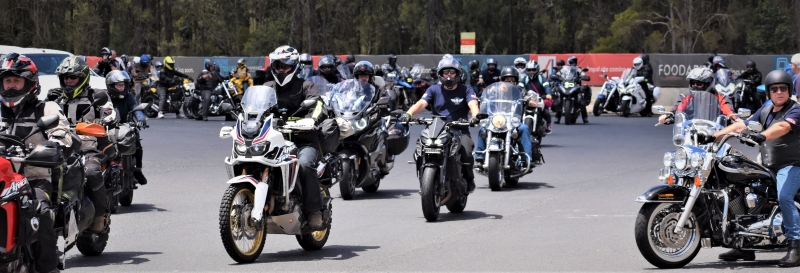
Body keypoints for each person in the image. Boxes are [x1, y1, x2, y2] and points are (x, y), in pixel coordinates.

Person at [712, 70, 800, 267]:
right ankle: (743, 244)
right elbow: (742, 125)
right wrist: (714, 136)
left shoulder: (795, 110)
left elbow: (783, 127)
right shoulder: (766, 110)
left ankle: (795, 247)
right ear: (769, 92)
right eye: (774, 89)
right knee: (742, 191)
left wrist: (762, 136)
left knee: (784, 196)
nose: (779, 92)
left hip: (793, 165)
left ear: (790, 90)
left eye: (783, 88)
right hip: (768, 165)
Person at [0, 53, 71, 273]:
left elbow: (63, 134)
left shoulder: (45, 109)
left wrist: (55, 145)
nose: (11, 85)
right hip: (3, 179)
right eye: (7, 80)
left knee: (39, 210)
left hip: (34, 179)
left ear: (30, 83)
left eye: (17, 80)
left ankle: (47, 267)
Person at [49, 55, 115, 236]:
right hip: (61, 146)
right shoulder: (56, 99)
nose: (69, 81)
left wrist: (104, 119)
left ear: (83, 78)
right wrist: (47, 102)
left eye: (73, 77)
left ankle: (99, 216)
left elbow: (110, 113)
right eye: (66, 78)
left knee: (91, 172)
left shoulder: (97, 95)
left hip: (88, 147)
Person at [263, 45, 327, 230]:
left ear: (295, 66)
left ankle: (314, 211)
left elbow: (318, 106)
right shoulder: (267, 88)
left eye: (285, 66)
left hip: (303, 140)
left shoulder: (307, 86)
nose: (281, 70)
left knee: (305, 165)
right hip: (274, 141)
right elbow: (253, 108)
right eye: (278, 66)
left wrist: (311, 120)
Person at [401, 58, 480, 194]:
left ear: (458, 74)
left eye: (452, 72)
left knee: (467, 151)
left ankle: (469, 179)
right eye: (445, 72)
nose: (449, 75)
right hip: (437, 129)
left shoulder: (466, 89)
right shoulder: (433, 89)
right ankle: (424, 182)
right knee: (420, 150)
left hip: (459, 129)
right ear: (440, 74)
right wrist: (408, 114)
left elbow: (473, 104)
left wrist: (475, 116)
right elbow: (421, 103)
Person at [474, 67, 535, 165]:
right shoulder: (495, 90)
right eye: (507, 79)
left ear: (516, 80)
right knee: (483, 129)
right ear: (502, 80)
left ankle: (526, 159)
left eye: (512, 79)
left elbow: (527, 97)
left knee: (524, 128)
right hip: (496, 120)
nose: (509, 81)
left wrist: (529, 100)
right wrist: (488, 97)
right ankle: (480, 156)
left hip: (513, 120)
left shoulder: (520, 91)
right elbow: (485, 98)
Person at [106, 70, 148, 185]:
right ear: (111, 86)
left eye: (123, 85)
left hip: (127, 127)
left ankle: (138, 169)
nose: (121, 88)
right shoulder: (106, 97)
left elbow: (136, 109)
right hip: (109, 128)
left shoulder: (129, 96)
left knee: (137, 145)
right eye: (118, 85)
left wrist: (141, 120)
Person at [658, 67, 739, 124]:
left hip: (714, 132)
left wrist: (735, 120)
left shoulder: (721, 97)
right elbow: (677, 109)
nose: (695, 85)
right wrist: (667, 115)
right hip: (691, 131)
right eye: (693, 83)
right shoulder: (686, 97)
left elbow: (729, 112)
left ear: (708, 84)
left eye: (699, 83)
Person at [552, 56, 591, 123]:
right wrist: (557, 76)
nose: (573, 63)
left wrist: (584, 77)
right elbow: (557, 74)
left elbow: (583, 75)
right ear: (568, 62)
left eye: (574, 62)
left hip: (576, 86)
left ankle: (585, 117)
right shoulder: (564, 69)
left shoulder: (578, 69)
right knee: (558, 98)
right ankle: (557, 118)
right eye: (572, 62)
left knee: (581, 100)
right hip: (565, 85)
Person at [521, 61, 553, 133]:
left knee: (545, 112)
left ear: (537, 70)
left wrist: (548, 94)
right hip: (528, 99)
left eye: (533, 70)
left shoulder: (541, 78)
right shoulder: (525, 79)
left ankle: (549, 124)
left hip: (540, 98)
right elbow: (519, 86)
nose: (531, 72)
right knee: (519, 110)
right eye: (529, 70)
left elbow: (547, 86)